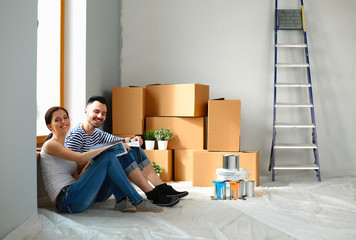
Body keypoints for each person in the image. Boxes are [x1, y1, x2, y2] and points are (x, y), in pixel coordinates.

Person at [65, 96, 188, 207]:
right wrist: (97, 159)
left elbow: (119, 140)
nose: (100, 116)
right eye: (96, 112)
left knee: (132, 147)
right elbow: (72, 169)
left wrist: (132, 139)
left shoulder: (97, 133)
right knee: (115, 155)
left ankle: (160, 187)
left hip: (103, 184)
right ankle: (152, 194)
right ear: (86, 111)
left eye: (103, 113)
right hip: (89, 189)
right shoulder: (76, 135)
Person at [40, 106, 164, 214]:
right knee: (109, 156)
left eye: (65, 117)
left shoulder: (65, 147)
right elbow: (79, 157)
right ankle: (137, 201)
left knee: (115, 155)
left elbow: (77, 179)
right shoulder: (50, 145)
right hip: (67, 201)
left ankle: (121, 200)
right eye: (57, 120)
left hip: (79, 196)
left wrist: (91, 165)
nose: (63, 121)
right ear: (49, 126)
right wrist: (109, 147)